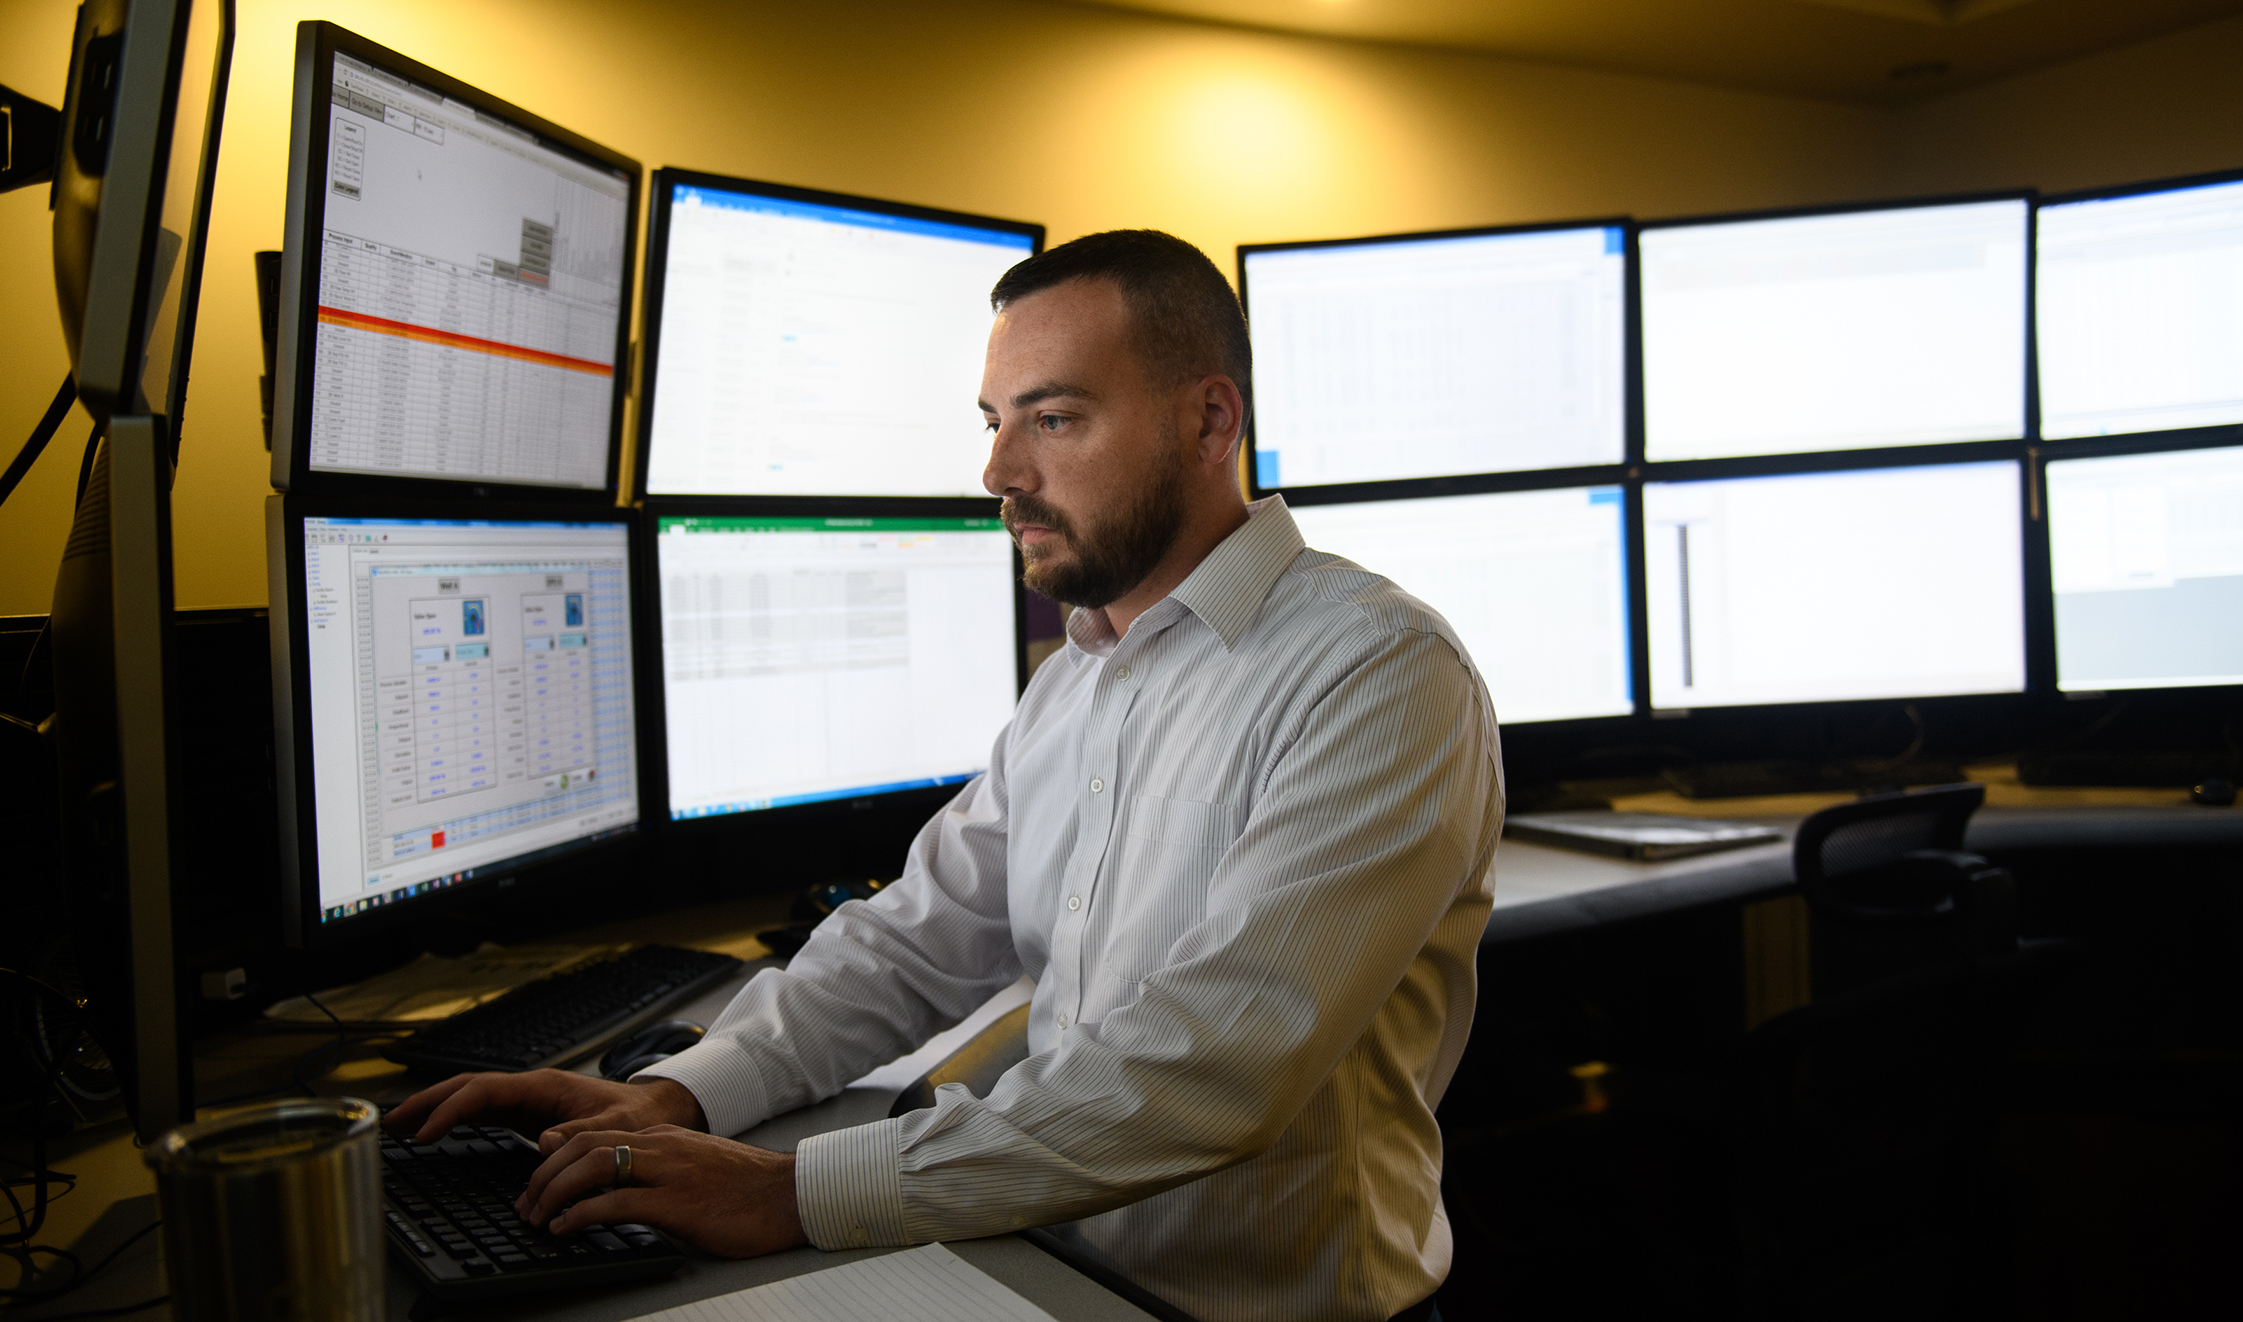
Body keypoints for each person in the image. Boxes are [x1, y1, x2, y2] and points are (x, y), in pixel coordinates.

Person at [386, 230, 1504, 1322]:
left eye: (1055, 418)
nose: (998, 472)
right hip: (1040, 1265)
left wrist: (789, 1189)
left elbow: (1213, 1064)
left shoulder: (1378, 673)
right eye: (994, 421)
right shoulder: (1081, 674)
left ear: (1209, 418)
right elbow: (915, 939)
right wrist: (686, 1088)